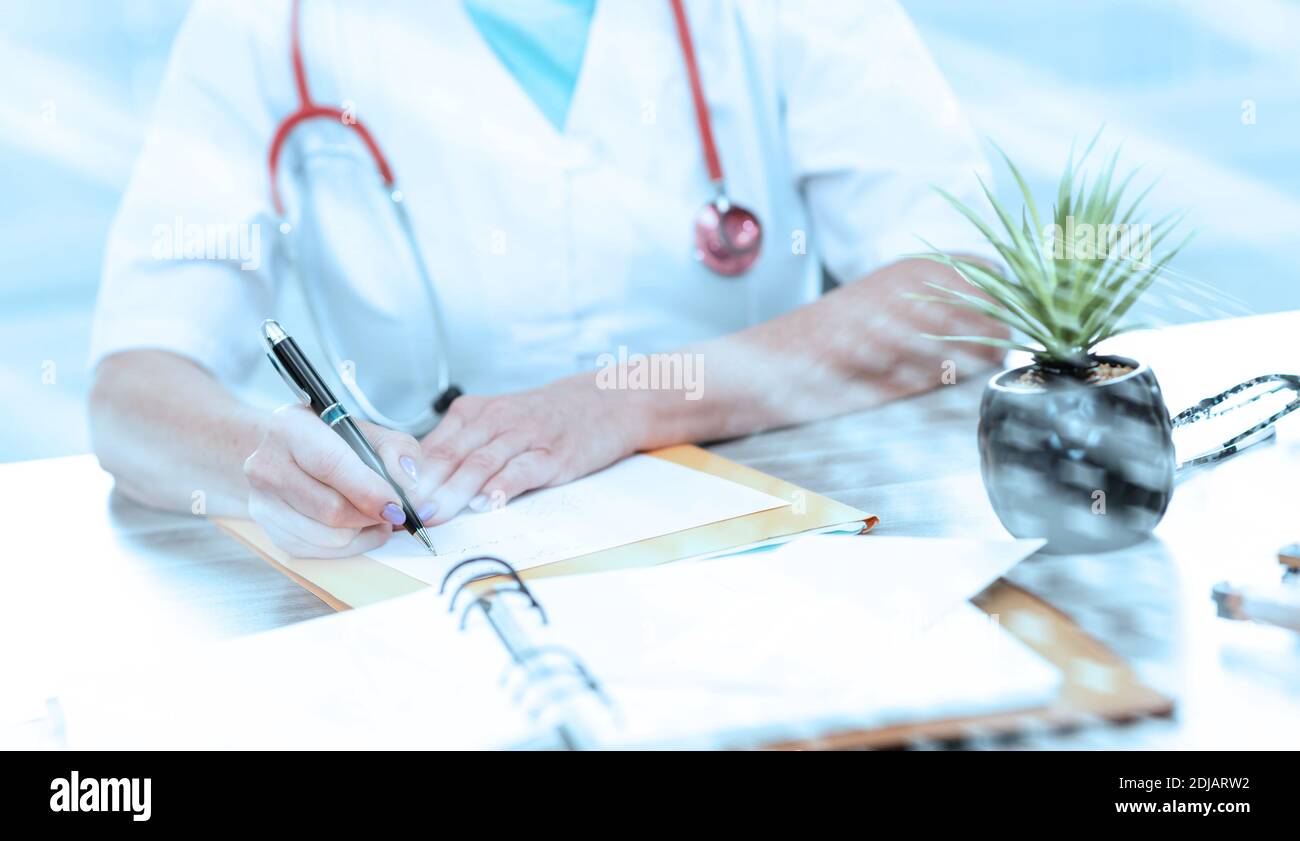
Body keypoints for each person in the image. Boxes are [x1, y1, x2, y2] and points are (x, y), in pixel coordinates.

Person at [88, 0, 1005, 558]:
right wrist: (267, 464)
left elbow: (959, 297)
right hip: (434, 570)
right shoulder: (264, 24)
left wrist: (626, 403)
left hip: (768, 553)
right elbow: (132, 392)